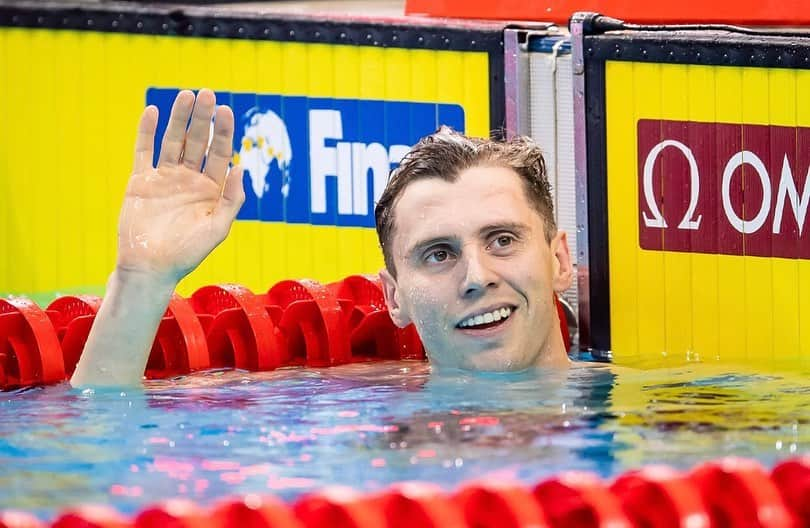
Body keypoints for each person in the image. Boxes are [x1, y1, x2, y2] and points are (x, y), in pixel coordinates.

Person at [70, 89, 573, 387]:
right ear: (394, 298)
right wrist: (142, 279)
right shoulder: (354, 422)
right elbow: (98, 449)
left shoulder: (632, 417)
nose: (477, 277)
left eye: (502, 240)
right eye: (438, 254)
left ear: (559, 259)